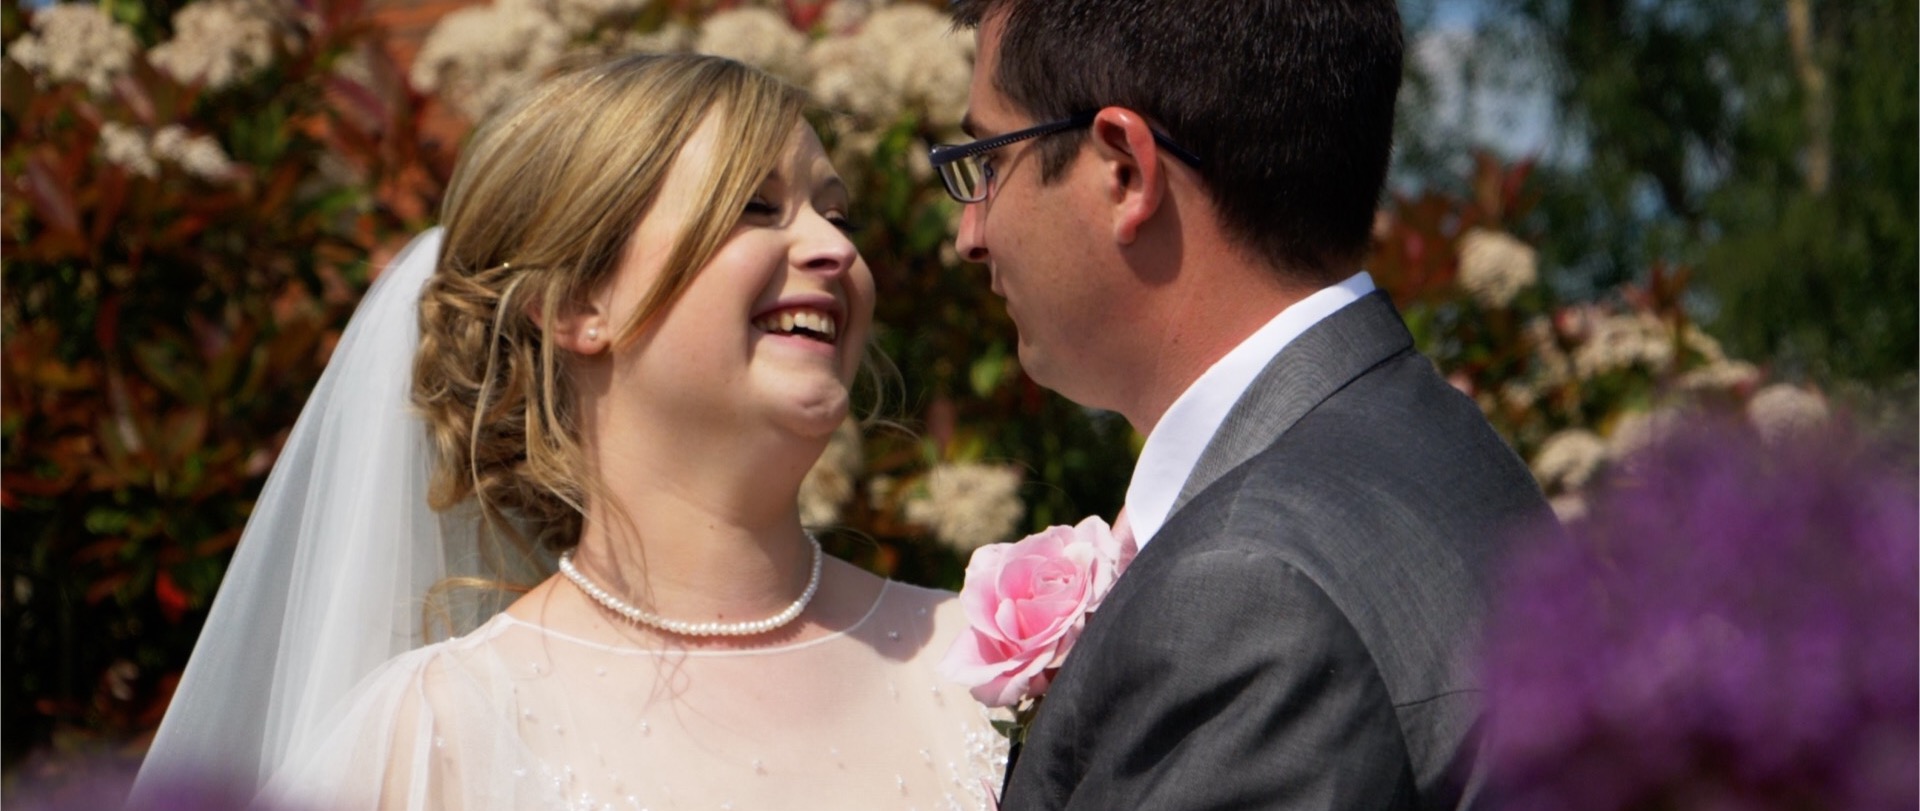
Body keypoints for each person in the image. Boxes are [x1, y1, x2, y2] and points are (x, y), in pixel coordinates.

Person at [130, 53, 1002, 810]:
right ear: (580, 305)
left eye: (834, 211)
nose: (833, 248)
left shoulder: (988, 662)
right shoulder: (441, 729)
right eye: (754, 207)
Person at [933, 1, 1554, 809]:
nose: (969, 233)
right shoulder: (1452, 451)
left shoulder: (1245, 592)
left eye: (987, 161)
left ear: (1123, 168)